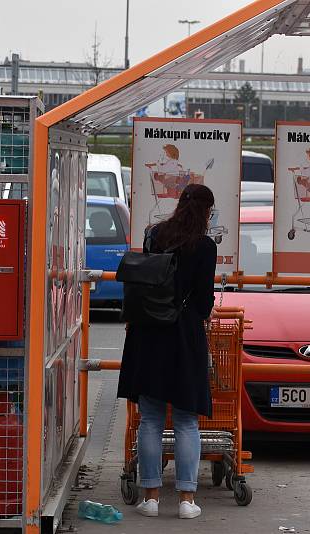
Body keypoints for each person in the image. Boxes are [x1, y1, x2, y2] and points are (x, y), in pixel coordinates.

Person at [117, 183, 218, 519]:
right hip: (184, 335)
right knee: (187, 420)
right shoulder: (204, 246)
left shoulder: (154, 234)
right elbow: (203, 302)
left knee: (150, 419)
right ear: (206, 211)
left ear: (179, 204)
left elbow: (145, 282)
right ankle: (187, 500)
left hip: (148, 333)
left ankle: (151, 498)